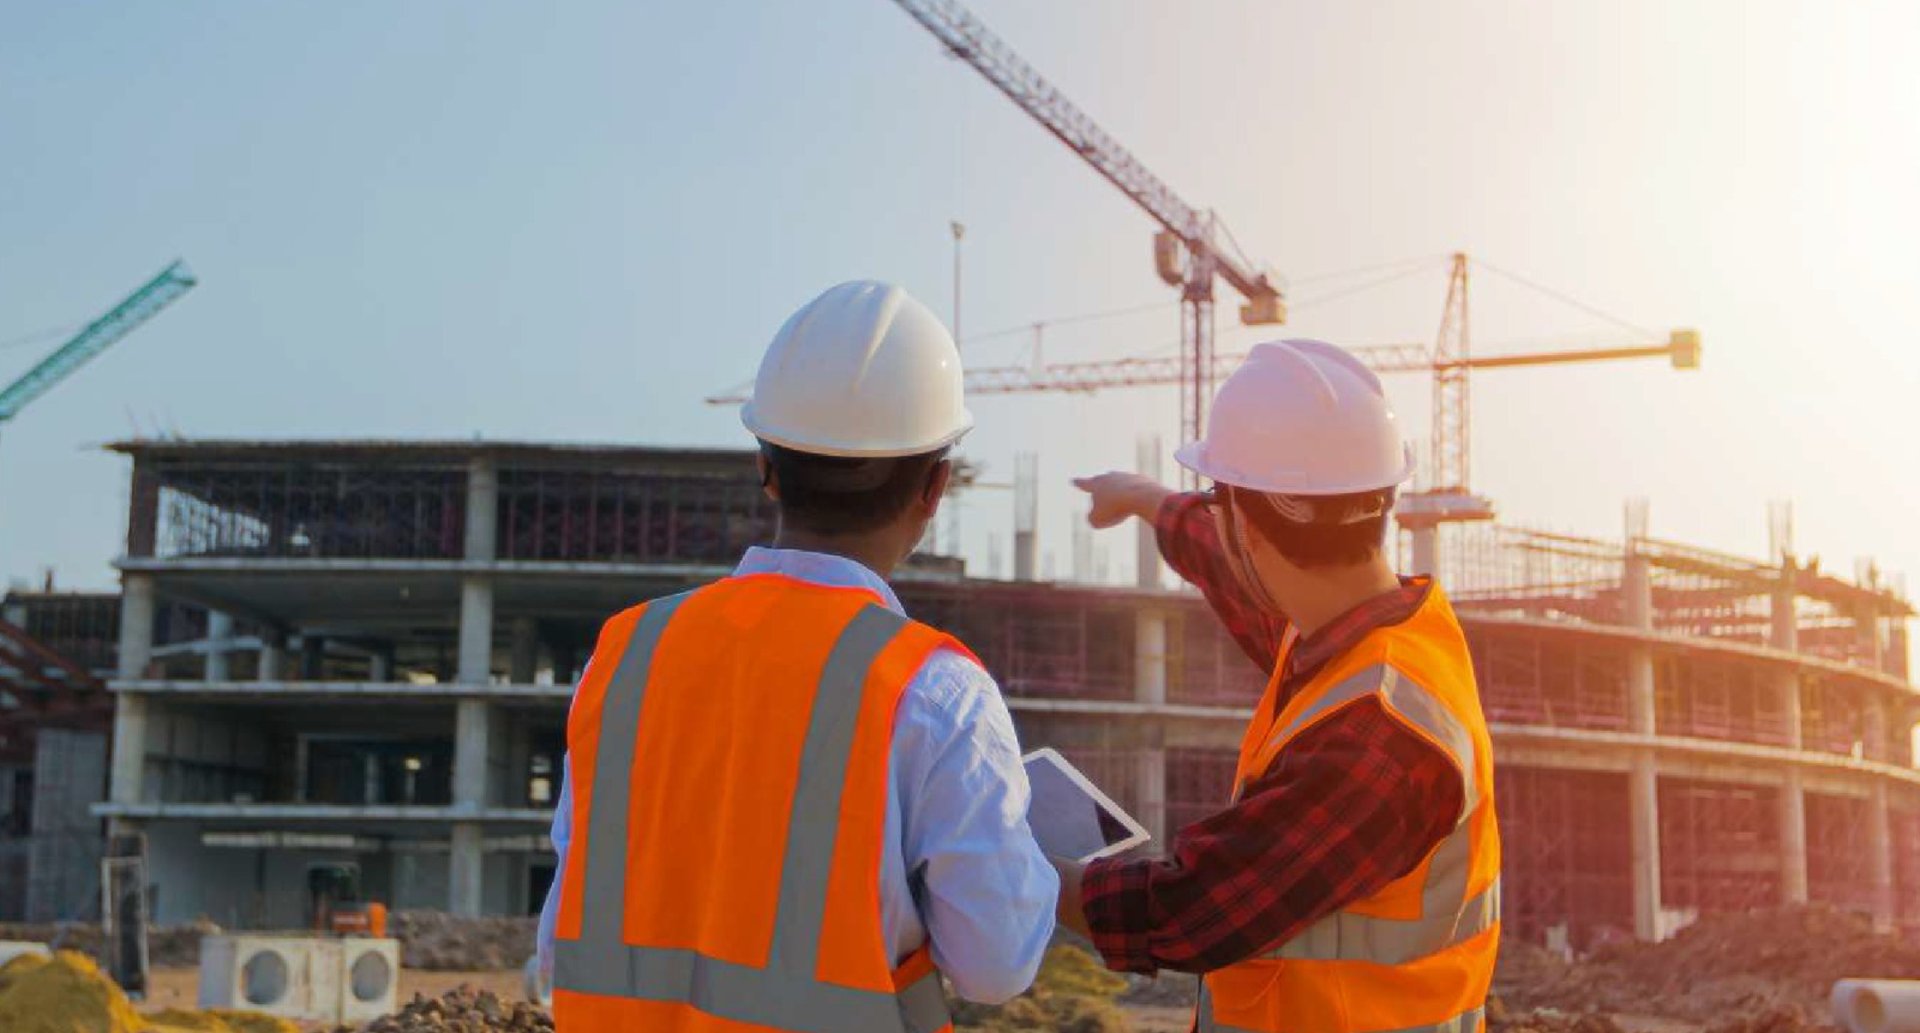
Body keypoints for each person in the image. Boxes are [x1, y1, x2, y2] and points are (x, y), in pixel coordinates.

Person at [537, 281, 1057, 1031]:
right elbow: (995, 965)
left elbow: (564, 935)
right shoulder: (936, 691)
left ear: (765, 466)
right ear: (936, 486)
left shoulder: (624, 656)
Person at [1062, 339, 1501, 1033]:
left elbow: (1193, 909)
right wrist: (1145, 499)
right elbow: (1228, 560)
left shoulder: (1376, 740)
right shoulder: (1377, 634)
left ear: (1248, 523)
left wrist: (1029, 873)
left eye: (1218, 500)